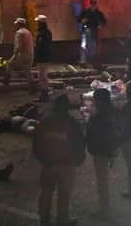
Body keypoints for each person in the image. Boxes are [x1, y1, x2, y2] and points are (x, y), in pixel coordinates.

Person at [33, 95, 85, 226]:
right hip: (66, 165)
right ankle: (62, 218)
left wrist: (42, 159)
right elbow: (79, 144)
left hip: (48, 164)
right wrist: (78, 160)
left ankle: (44, 217)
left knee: (46, 191)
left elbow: (36, 143)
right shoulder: (72, 123)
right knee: (64, 193)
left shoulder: (45, 122)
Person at [85, 88, 122, 219]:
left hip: (101, 151)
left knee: (102, 181)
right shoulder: (115, 111)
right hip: (112, 148)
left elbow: (91, 133)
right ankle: (105, 207)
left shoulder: (98, 116)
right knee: (104, 179)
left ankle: (104, 210)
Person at [3, 18, 34, 90]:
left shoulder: (19, 33)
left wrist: (15, 55)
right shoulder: (28, 32)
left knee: (9, 64)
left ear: (19, 24)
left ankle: (6, 80)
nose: (15, 26)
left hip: (22, 54)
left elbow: (18, 46)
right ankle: (33, 86)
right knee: (27, 70)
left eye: (17, 24)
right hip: (30, 54)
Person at [78, 0, 107, 65]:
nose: (93, 6)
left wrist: (100, 25)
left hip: (94, 32)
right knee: (84, 46)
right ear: (90, 4)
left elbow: (104, 21)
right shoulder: (86, 12)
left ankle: (91, 61)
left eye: (94, 5)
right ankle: (83, 61)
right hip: (86, 31)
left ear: (95, 5)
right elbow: (79, 20)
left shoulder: (98, 13)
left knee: (93, 47)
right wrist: (83, 20)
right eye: (92, 4)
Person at [34, 15, 53, 96]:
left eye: (38, 23)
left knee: (42, 76)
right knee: (41, 75)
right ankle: (44, 92)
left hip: (43, 57)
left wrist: (38, 55)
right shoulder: (45, 32)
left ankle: (44, 93)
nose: (37, 24)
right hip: (43, 57)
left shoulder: (44, 33)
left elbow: (42, 46)